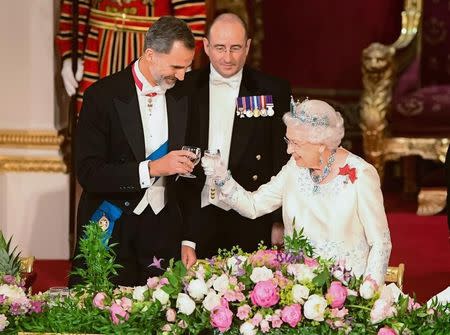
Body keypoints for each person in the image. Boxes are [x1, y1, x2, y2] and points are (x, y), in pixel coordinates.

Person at [202, 99, 392, 285]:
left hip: (347, 294)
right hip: (297, 291)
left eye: (296, 143)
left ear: (321, 144)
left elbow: (381, 243)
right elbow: (254, 205)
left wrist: (368, 291)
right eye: (288, 140)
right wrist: (222, 178)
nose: (288, 149)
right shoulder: (294, 168)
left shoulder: (361, 175)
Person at [72, 16, 197, 287]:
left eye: (187, 67)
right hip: (112, 226)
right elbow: (89, 173)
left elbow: (193, 179)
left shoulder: (185, 95)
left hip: (165, 231)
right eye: (176, 66)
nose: (182, 75)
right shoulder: (101, 96)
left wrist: (189, 238)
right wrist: (151, 169)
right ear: (150, 54)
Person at [175, 13, 291, 258]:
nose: (227, 57)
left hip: (250, 211)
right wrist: (185, 230)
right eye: (219, 48)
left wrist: (278, 220)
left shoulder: (271, 89)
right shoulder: (184, 88)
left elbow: (281, 158)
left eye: (235, 48)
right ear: (205, 46)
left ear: (248, 46)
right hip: (197, 209)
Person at [56, 0, 206, 111]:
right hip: (98, 46)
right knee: (94, 113)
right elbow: (76, 6)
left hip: (154, 46)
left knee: (150, 119)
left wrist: (181, 57)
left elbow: (191, 11)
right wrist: (69, 52)